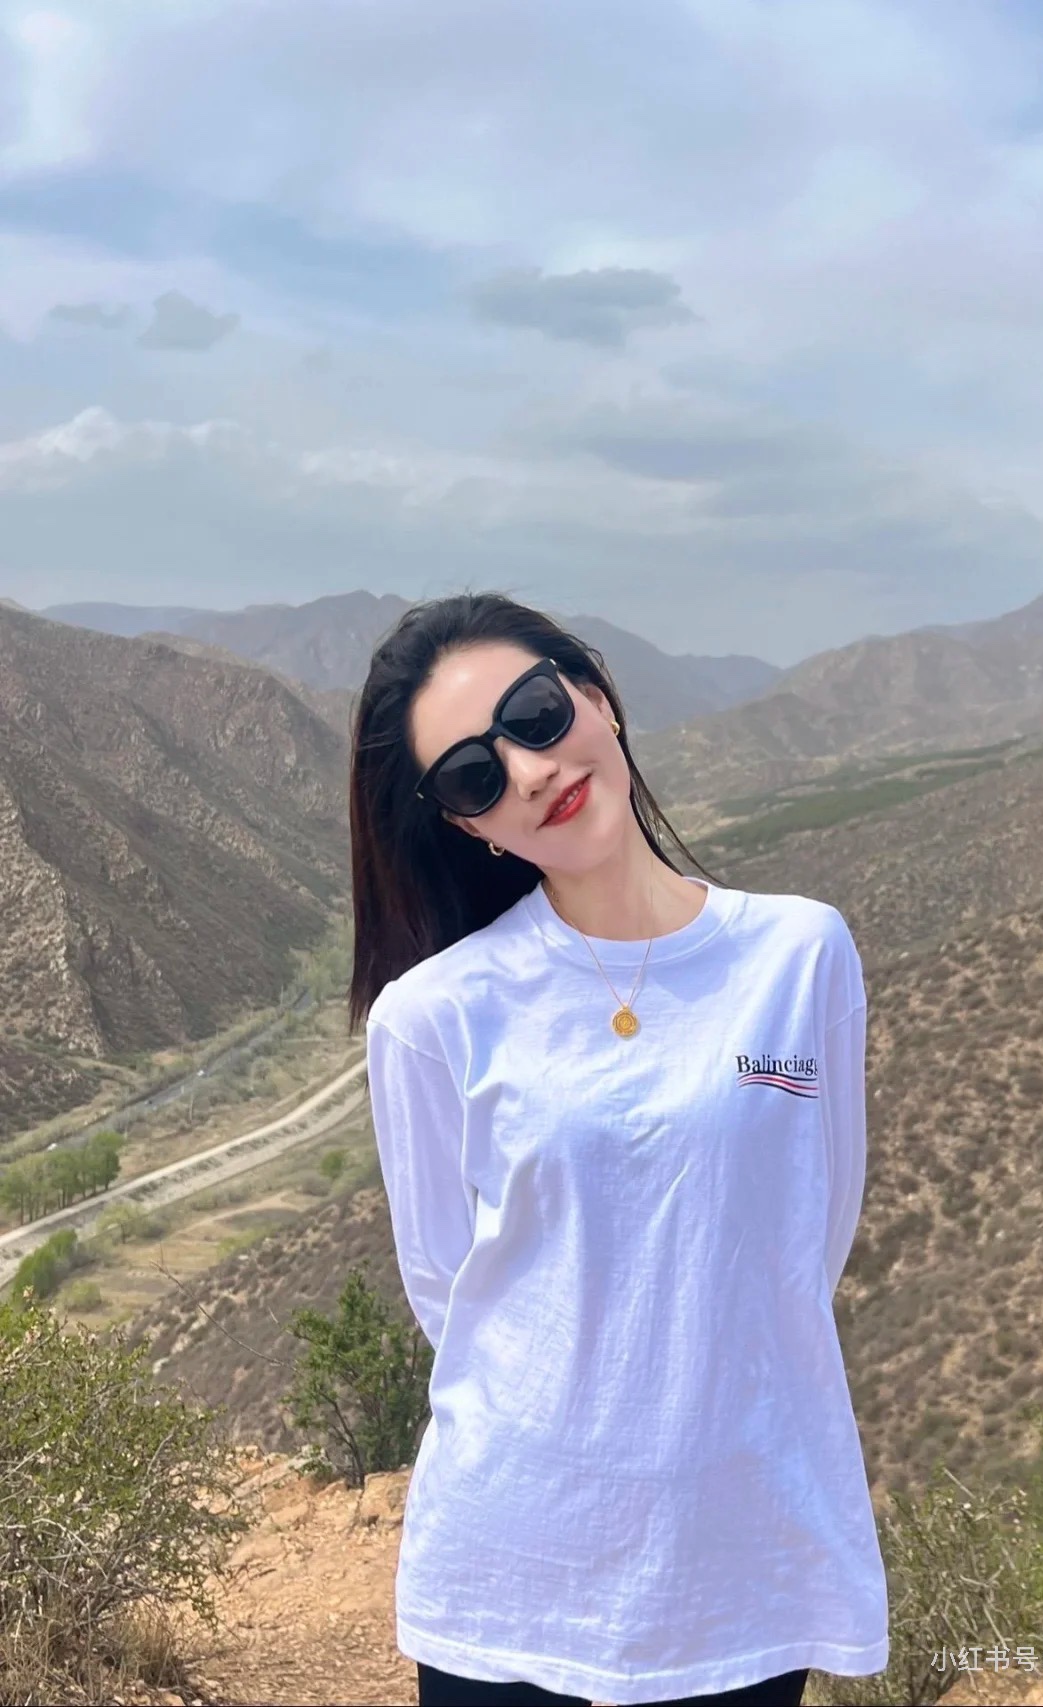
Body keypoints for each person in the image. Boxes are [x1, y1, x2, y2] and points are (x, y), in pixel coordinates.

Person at [349, 591, 889, 1706]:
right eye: (473, 774)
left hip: (736, 1554)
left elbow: (806, 1239)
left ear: (595, 698)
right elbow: (451, 1291)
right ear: (467, 825)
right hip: (510, 1558)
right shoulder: (431, 1015)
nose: (527, 770)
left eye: (534, 715)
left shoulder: (798, 954)